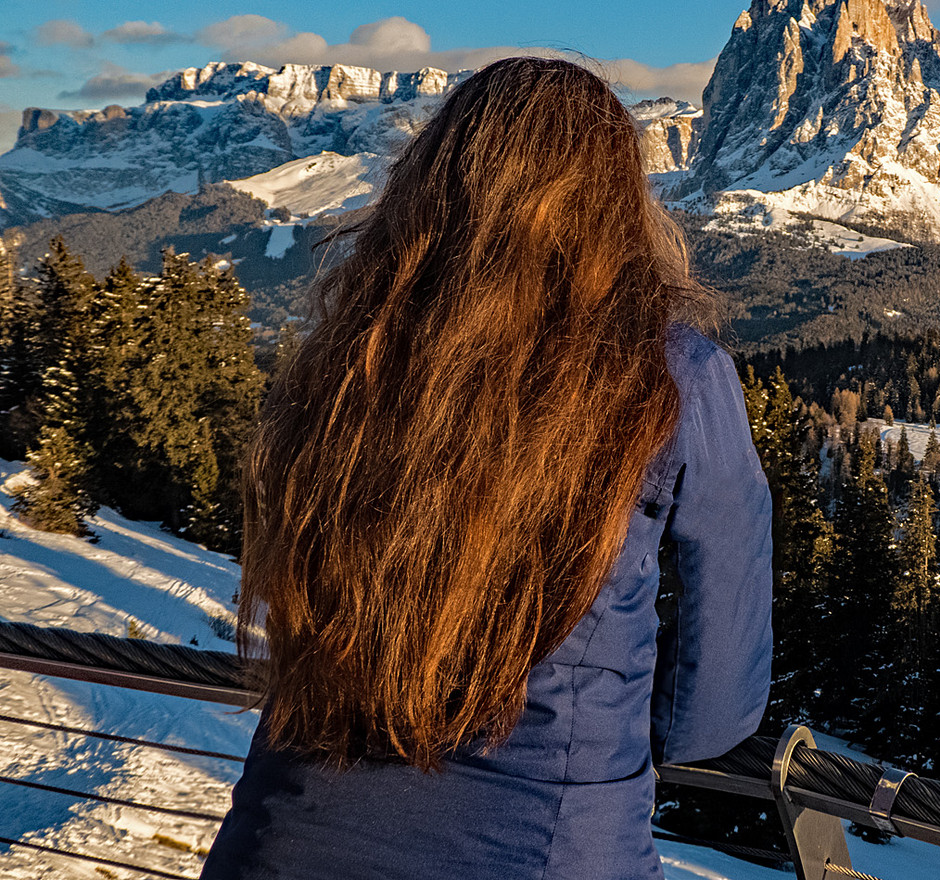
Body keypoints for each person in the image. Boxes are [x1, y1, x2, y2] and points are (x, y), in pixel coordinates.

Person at [202, 57, 773, 880]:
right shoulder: (671, 375)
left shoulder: (354, 357)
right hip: (543, 845)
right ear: (618, 201)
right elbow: (716, 703)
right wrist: (611, 720)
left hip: (284, 840)